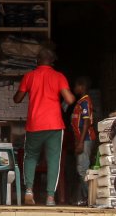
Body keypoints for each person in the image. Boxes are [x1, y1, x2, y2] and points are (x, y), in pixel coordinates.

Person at [14, 47, 74, 206]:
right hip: (54, 125)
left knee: (31, 157)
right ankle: (50, 198)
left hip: (34, 124)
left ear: (37, 60)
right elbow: (69, 100)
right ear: (53, 61)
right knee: (53, 160)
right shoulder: (59, 76)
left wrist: (24, 90)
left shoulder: (29, 76)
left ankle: (28, 190)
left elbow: (17, 99)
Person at [67, 77, 97, 205]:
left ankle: (89, 198)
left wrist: (80, 142)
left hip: (85, 139)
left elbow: (86, 123)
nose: (74, 89)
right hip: (81, 140)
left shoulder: (85, 102)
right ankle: (84, 198)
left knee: (82, 170)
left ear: (82, 86)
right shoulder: (81, 102)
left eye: (75, 86)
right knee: (81, 169)